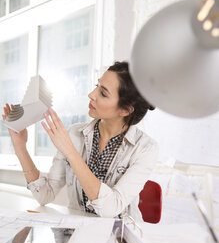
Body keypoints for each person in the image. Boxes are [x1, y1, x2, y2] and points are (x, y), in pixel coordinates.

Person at [2, 61, 158, 221]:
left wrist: (70, 152)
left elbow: (110, 208)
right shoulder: (75, 134)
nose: (91, 94)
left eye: (103, 93)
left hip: (119, 238)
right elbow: (44, 195)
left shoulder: (145, 148)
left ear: (125, 110)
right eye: (97, 85)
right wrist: (20, 147)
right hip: (75, 234)